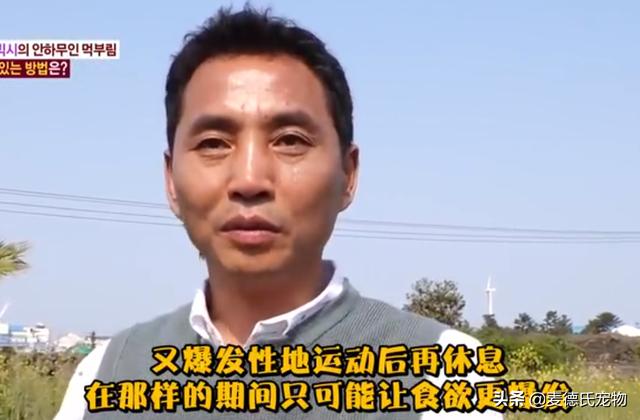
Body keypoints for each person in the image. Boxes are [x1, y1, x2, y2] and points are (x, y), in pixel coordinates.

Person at [55, 6, 503, 419]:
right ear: (171, 180)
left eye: (290, 140)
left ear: (348, 174)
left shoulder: (446, 376)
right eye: (213, 143)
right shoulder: (106, 376)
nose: (250, 179)